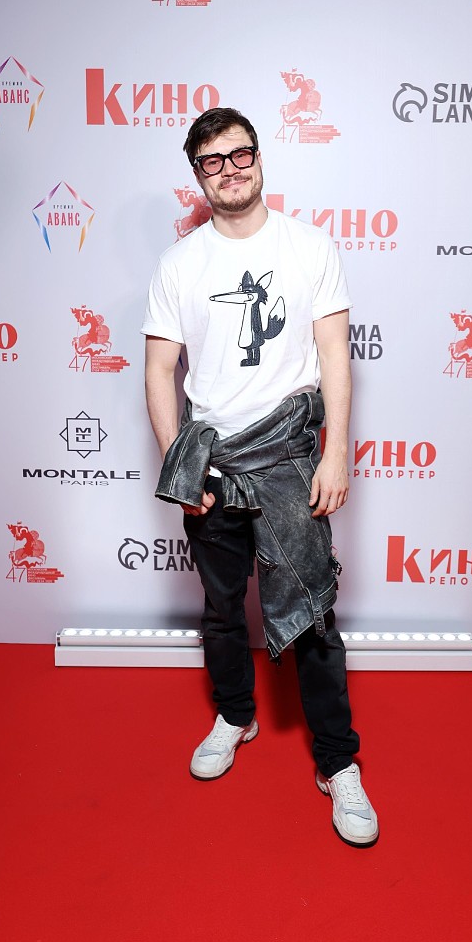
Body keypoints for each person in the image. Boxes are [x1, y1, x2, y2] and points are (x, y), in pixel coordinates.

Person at [142, 107, 378, 848]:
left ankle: (338, 762)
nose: (229, 170)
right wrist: (180, 464)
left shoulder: (309, 246)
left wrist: (336, 452)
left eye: (239, 154)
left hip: (289, 460)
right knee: (221, 610)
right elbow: (159, 369)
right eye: (212, 161)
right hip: (212, 462)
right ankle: (235, 714)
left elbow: (334, 354)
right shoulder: (179, 264)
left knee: (312, 614)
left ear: (259, 158)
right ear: (198, 175)